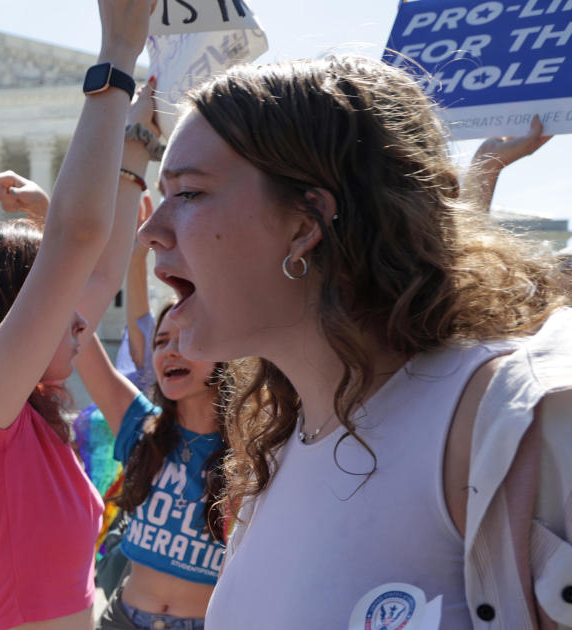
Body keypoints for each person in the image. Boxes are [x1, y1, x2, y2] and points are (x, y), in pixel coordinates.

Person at [136, 55, 572, 627]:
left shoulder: (517, 423)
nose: (150, 230)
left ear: (304, 224)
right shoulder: (271, 445)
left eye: (188, 193)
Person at [0, 3, 156, 627]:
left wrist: (141, 143)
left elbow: (99, 267)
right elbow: (76, 240)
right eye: (51, 301)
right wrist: (118, 53)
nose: (81, 320)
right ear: (8, 316)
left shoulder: (21, 406)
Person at [78, 303, 228, 630]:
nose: (170, 352)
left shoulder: (254, 452)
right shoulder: (140, 427)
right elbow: (75, 327)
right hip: (122, 620)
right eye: (160, 342)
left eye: (187, 337)